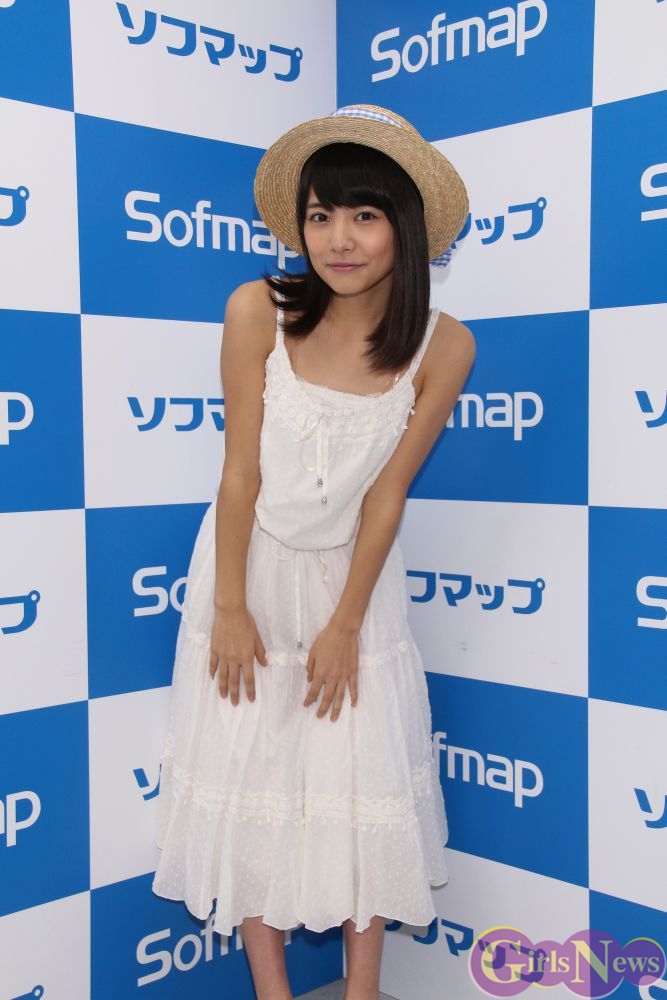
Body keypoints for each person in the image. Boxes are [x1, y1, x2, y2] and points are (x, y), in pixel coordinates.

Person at [152, 104, 475, 1000]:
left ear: (403, 225)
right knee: (248, 770)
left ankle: (361, 992)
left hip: (355, 583)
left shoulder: (445, 345)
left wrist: (345, 625)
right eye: (320, 214)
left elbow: (387, 494)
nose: (338, 239)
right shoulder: (255, 309)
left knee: (358, 780)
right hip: (246, 569)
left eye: (364, 215)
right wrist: (227, 606)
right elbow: (239, 474)